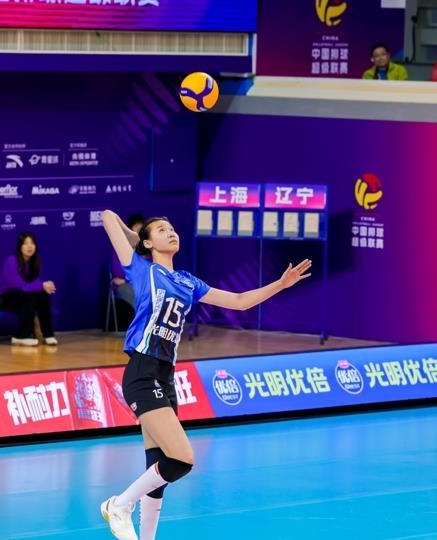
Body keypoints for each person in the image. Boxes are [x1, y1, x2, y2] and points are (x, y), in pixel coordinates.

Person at [99, 210, 312, 540]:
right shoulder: (142, 269)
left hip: (165, 376)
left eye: (172, 228)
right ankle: (119, 504)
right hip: (142, 372)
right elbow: (107, 216)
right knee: (182, 459)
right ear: (148, 242)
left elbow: (239, 301)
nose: (171, 232)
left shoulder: (188, 281)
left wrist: (281, 285)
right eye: (162, 230)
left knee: (158, 467)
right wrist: (137, 239)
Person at [0, 231, 57, 346]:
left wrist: (45, 286)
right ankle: (20, 336)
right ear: (20, 246)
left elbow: (35, 283)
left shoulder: (35, 262)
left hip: (24, 294)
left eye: (32, 243)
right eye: (26, 243)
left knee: (43, 295)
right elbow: (20, 286)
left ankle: (48, 334)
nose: (29, 246)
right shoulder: (11, 261)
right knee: (29, 297)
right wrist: (42, 285)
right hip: (7, 296)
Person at [110, 213, 146, 329]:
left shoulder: (146, 248)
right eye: (136, 226)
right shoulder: (120, 247)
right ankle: (140, 328)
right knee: (136, 294)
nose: (139, 229)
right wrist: (127, 279)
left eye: (141, 227)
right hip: (124, 285)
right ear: (129, 229)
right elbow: (118, 274)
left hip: (142, 283)